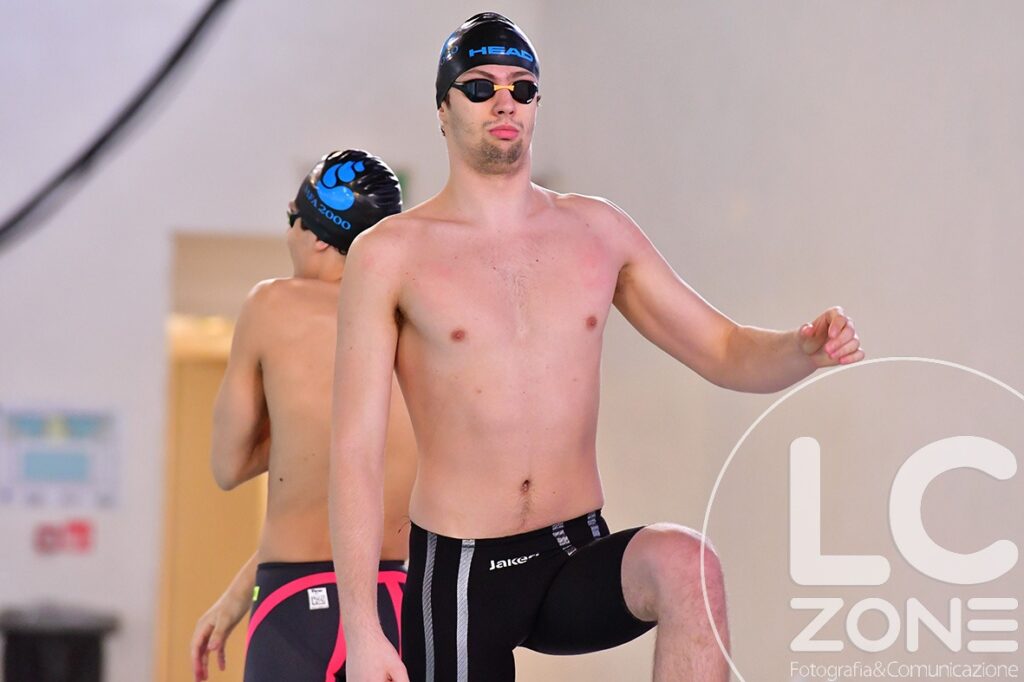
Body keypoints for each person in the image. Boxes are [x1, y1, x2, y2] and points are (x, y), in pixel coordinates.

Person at [329, 13, 864, 682]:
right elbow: (355, 450)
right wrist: (362, 628)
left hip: (572, 548)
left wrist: (802, 350)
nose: (505, 102)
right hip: (463, 576)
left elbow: (724, 348)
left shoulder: (597, 231)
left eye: (523, 88)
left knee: (689, 565)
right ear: (442, 107)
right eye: (480, 86)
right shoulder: (389, 255)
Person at [189, 150, 415, 682]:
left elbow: (227, 466)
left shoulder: (271, 304)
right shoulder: (414, 322)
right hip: (397, 603)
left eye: (291, 217)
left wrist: (293, 426)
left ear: (315, 235)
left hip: (293, 606)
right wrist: (235, 593)